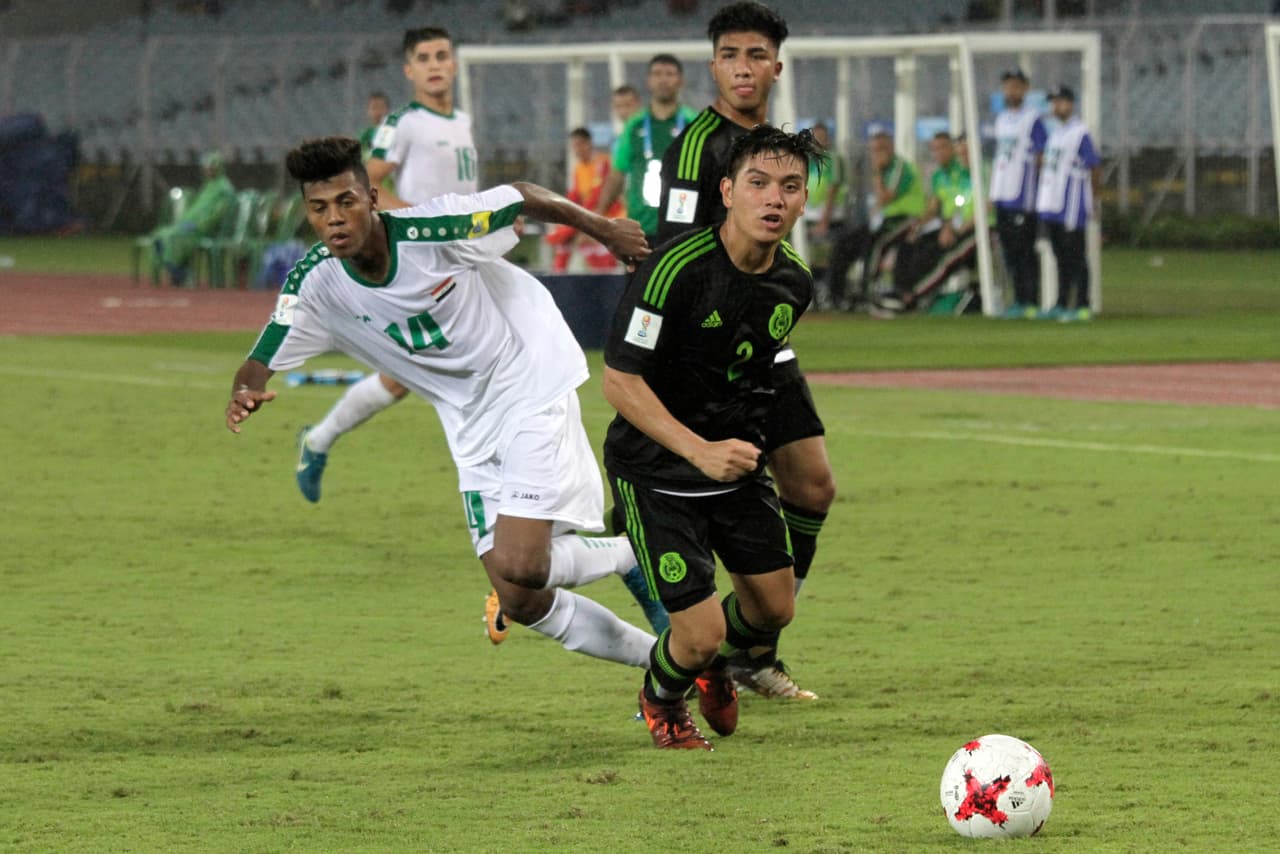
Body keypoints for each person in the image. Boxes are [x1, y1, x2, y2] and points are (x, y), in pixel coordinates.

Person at [226, 136, 660, 672]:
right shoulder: (313, 280)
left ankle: (636, 557)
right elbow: (265, 349)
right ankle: (665, 659)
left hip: (526, 377)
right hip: (468, 422)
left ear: (373, 199)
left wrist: (605, 228)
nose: (334, 219)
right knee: (520, 599)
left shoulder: (432, 229)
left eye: (346, 202)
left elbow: (520, 196)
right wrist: (244, 390)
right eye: (319, 208)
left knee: (522, 563)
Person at [604, 124, 823, 750]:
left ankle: (711, 665)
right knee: (696, 633)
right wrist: (697, 449)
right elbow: (619, 381)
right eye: (757, 183)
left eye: (789, 187)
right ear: (727, 191)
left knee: (774, 608)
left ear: (804, 200)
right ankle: (662, 699)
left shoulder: (795, 284)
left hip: (732, 467)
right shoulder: (674, 270)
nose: (773, 199)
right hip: (655, 469)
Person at [655, 0, 832, 702]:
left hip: (762, 342)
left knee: (813, 486)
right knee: (707, 494)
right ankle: (709, 640)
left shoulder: (784, 145)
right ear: (714, 65)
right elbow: (669, 252)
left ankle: (754, 649)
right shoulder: (699, 146)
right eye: (731, 55)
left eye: (757, 55)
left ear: (776, 66)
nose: (744, 68)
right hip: (703, 355)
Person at [295, 27, 478, 505]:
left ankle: (318, 440)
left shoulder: (462, 120)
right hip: (420, 266)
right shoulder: (404, 122)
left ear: (455, 64)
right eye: (424, 57)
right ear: (409, 70)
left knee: (424, 375)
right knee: (422, 375)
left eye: (442, 55)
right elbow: (369, 184)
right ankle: (318, 440)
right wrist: (423, 222)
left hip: (460, 263)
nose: (435, 64)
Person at [594, 54, 700, 244]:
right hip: (639, 231)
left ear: (680, 81)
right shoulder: (634, 125)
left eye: (670, 74)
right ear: (649, 81)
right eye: (657, 74)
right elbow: (617, 174)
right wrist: (598, 219)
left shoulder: (694, 123)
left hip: (685, 229)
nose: (663, 80)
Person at [875, 131, 981, 314]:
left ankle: (913, 297)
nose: (937, 153)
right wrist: (918, 225)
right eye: (934, 149)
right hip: (949, 226)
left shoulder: (967, 173)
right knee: (909, 244)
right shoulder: (939, 176)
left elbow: (971, 207)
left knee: (939, 256)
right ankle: (900, 290)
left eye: (942, 148)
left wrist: (952, 228)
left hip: (966, 229)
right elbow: (934, 206)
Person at [1035, 85, 1100, 323]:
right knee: (1060, 255)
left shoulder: (1079, 132)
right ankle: (1061, 302)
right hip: (1052, 203)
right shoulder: (1056, 133)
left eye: (1060, 102)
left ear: (1070, 104)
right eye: (1054, 103)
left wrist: (1093, 200)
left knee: (1076, 256)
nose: (1056, 107)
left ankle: (1083, 303)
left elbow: (1093, 166)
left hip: (1071, 204)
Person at [990, 68, 1047, 318]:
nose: (1010, 91)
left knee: (1025, 251)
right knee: (1010, 251)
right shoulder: (1001, 119)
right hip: (1003, 193)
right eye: (1007, 86)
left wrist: (1037, 189)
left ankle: (1031, 300)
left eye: (1015, 86)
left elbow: (1041, 155)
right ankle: (1018, 300)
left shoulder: (1032, 119)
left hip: (1023, 195)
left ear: (1024, 89)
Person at [148, 150, 236, 286]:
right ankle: (176, 271)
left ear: (219, 168)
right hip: (190, 226)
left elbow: (219, 215)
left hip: (207, 230)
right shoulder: (208, 186)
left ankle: (183, 274)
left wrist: (200, 224)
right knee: (160, 235)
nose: (208, 171)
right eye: (206, 168)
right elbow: (197, 209)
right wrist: (185, 222)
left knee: (173, 237)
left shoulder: (225, 188)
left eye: (211, 168)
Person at [545, 127, 625, 273]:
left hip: (608, 216)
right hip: (589, 215)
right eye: (574, 146)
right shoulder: (579, 169)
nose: (576, 150)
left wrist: (579, 220)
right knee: (563, 239)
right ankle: (557, 276)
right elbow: (574, 196)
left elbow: (598, 196)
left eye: (579, 145)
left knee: (580, 240)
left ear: (589, 144)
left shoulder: (602, 163)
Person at [802, 120, 847, 303]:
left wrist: (824, 221)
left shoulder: (832, 160)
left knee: (826, 256)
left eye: (821, 138)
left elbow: (832, 189)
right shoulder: (807, 161)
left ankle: (826, 292)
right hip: (808, 219)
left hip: (830, 220)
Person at [357, 91, 391, 159]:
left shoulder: (394, 133)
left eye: (381, 107)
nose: (378, 112)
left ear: (388, 110)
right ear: (368, 111)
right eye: (374, 107)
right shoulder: (364, 135)